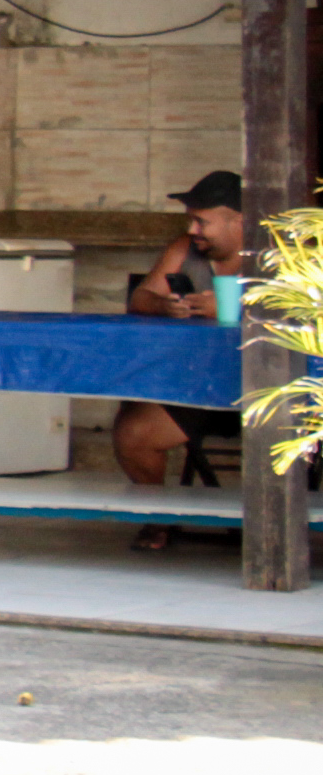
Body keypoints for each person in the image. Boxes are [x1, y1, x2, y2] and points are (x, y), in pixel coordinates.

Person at [117, 169, 247, 546]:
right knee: (133, 433)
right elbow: (140, 299)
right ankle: (158, 518)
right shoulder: (183, 249)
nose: (193, 230)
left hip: (269, 390)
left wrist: (230, 306)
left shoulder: (280, 253)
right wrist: (165, 307)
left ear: (237, 220)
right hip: (198, 385)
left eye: (201, 221)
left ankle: (276, 528)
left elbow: (302, 312)